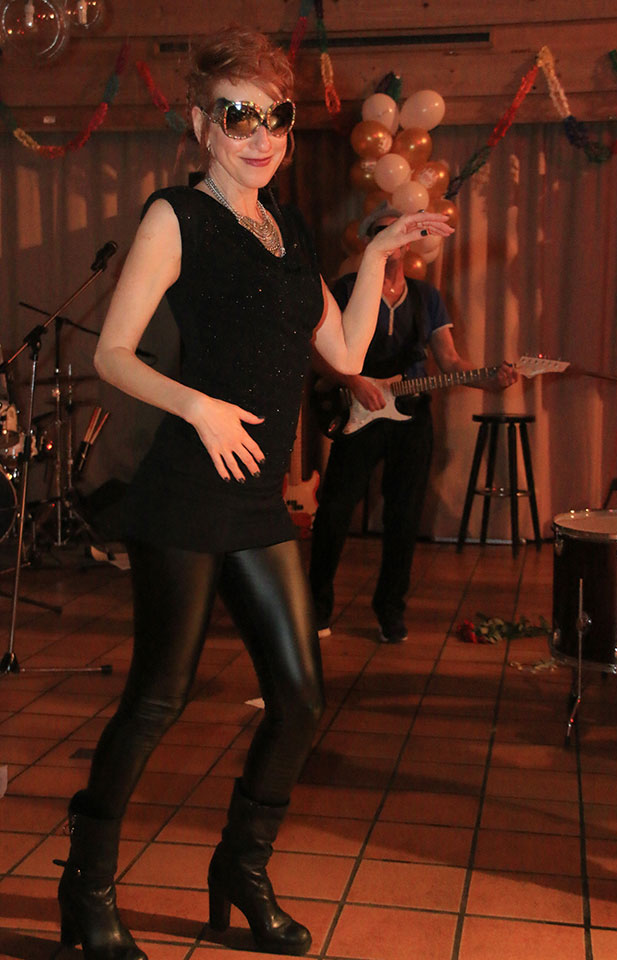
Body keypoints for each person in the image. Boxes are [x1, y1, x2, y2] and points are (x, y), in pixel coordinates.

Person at [56, 27, 454, 960]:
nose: (261, 135)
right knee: (158, 698)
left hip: (256, 504)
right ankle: (87, 886)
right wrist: (198, 407)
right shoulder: (175, 218)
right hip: (185, 499)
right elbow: (111, 353)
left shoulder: (287, 230)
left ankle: (242, 866)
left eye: (275, 117)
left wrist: (382, 248)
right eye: (239, 116)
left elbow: (344, 351)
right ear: (203, 125)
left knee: (301, 697)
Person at [309, 203, 517, 644]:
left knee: (404, 518)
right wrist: (354, 382)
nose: (393, 240)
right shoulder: (344, 290)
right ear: (369, 241)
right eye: (382, 232)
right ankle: (316, 608)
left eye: (399, 233)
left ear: (407, 245)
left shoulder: (426, 297)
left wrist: (491, 381)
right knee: (335, 510)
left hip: (411, 416)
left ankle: (390, 613)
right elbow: (316, 354)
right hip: (358, 409)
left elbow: (451, 362)